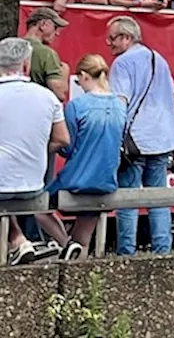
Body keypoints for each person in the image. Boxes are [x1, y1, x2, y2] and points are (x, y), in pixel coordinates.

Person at [107, 15, 174, 255]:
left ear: (127, 38)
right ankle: (162, 251)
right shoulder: (159, 59)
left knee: (128, 200)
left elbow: (120, 102)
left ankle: (126, 253)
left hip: (135, 140)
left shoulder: (122, 64)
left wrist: (114, 139)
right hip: (163, 138)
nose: (109, 44)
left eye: (112, 38)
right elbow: (172, 96)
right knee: (158, 197)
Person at [48, 54, 127, 259]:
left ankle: (66, 246)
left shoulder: (77, 106)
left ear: (83, 76)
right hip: (106, 183)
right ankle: (79, 275)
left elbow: (67, 146)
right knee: (83, 238)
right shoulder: (120, 106)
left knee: (37, 207)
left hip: (77, 179)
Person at [0, 38, 69, 265]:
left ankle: (18, 240)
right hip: (33, 184)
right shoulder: (48, 97)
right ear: (26, 65)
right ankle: (50, 243)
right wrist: (37, 147)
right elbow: (62, 139)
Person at [23, 7, 69, 103]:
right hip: (37, 109)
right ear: (43, 24)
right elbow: (59, 93)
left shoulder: (9, 47)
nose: (57, 33)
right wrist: (65, 72)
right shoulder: (47, 53)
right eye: (55, 27)